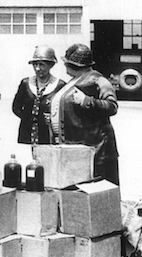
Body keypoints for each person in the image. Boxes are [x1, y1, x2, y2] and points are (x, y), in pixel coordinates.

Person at [49, 44, 119, 184]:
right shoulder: (76, 80)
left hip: (96, 150)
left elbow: (112, 106)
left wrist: (87, 101)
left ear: (73, 64)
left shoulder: (97, 79)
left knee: (97, 192)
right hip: (77, 147)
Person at [12, 46, 66, 144]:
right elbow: (16, 107)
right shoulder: (25, 83)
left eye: (42, 65)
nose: (37, 68)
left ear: (51, 65)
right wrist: (29, 118)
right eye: (35, 64)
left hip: (47, 135)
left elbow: (64, 112)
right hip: (26, 134)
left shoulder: (59, 85)